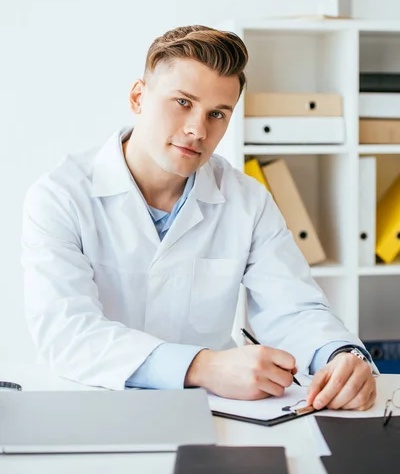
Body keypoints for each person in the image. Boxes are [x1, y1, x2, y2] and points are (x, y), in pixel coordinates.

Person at [22, 25, 377, 411]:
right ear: (138, 97)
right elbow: (68, 333)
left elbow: (292, 309)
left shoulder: (247, 200)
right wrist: (202, 366)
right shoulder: (60, 195)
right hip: (91, 401)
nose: (197, 129)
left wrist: (342, 356)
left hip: (215, 409)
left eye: (217, 114)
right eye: (183, 102)